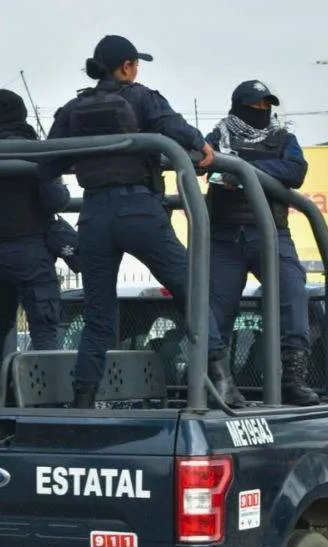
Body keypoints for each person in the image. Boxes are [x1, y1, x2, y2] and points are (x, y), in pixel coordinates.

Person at [41, 35, 225, 408]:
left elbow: (48, 162)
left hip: (93, 216)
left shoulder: (72, 109)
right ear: (126, 67)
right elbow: (173, 127)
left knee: (98, 314)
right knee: (191, 288)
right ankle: (220, 379)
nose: (137, 70)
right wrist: (204, 148)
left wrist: (89, 159)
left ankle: (84, 399)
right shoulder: (141, 97)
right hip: (140, 210)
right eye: (135, 64)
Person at [204, 80, 318, 407]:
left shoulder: (285, 138)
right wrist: (237, 168)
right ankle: (218, 381)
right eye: (255, 106)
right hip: (224, 237)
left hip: (270, 232)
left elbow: (295, 171)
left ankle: (293, 379)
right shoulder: (217, 136)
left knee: (294, 293)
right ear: (239, 106)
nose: (261, 111)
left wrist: (240, 167)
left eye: (266, 105)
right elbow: (206, 163)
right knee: (215, 310)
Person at [0, 89, 72, 401]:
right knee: (44, 325)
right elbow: (58, 199)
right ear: (21, 114)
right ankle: (43, 393)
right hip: (32, 251)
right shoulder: (34, 151)